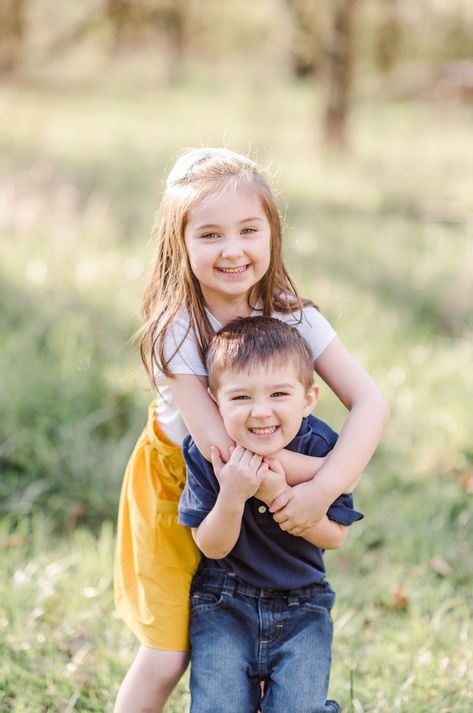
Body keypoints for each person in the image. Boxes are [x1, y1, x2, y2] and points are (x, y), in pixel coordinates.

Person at [113, 147, 389, 713]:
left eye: (248, 230)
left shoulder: (294, 317)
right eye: (210, 235)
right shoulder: (179, 328)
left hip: (266, 491)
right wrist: (318, 475)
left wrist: (321, 492)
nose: (232, 250)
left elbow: (370, 402)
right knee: (169, 653)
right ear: (180, 245)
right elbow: (220, 447)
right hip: (177, 486)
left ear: (272, 233)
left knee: (253, 635)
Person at [179, 315, 364, 713]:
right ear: (215, 401)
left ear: (308, 398)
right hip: (224, 599)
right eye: (241, 398)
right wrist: (232, 494)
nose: (261, 412)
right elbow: (210, 546)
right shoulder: (207, 453)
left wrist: (283, 496)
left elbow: (336, 536)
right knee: (218, 706)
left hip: (303, 603)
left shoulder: (322, 447)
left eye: (279, 394)